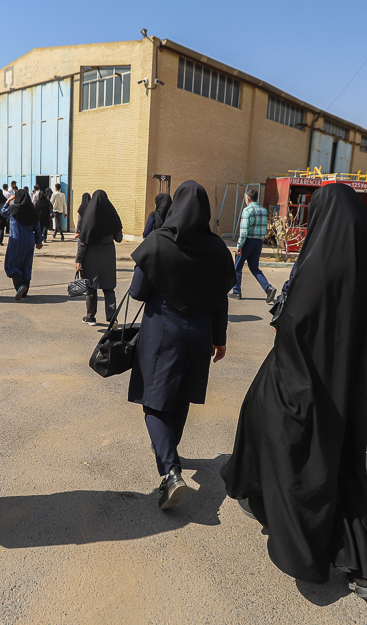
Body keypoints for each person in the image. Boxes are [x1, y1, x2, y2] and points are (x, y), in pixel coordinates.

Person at [220, 183, 367, 602]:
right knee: (343, 462)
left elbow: (294, 323)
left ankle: (287, 529)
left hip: (305, 378)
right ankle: (360, 567)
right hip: (350, 381)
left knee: (276, 432)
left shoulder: (322, 261)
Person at [129, 180, 235, 510]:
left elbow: (137, 291)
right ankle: (168, 450)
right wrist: (220, 339)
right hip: (200, 333)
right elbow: (221, 299)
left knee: (154, 403)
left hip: (163, 331)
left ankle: (170, 471)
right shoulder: (218, 249)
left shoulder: (158, 242)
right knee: (181, 396)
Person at [76, 190, 123, 326]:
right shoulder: (113, 216)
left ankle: (90, 317)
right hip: (108, 255)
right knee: (109, 288)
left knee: (91, 286)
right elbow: (119, 238)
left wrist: (78, 260)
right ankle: (112, 318)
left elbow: (82, 242)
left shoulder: (89, 216)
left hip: (91, 256)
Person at [230, 188, 276, 303]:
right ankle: (268, 288)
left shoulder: (247, 210)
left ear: (247, 198)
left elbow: (244, 230)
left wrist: (239, 245)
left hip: (248, 241)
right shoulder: (263, 210)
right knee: (254, 267)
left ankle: (236, 291)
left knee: (237, 267)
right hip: (258, 242)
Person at [1, 188, 43, 300]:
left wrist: (8, 201)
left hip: (16, 241)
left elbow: (2, 211)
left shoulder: (13, 210)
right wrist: (39, 241)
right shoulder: (33, 211)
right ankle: (25, 291)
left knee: (11, 264)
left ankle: (20, 285)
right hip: (29, 241)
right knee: (26, 265)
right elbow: (37, 228)